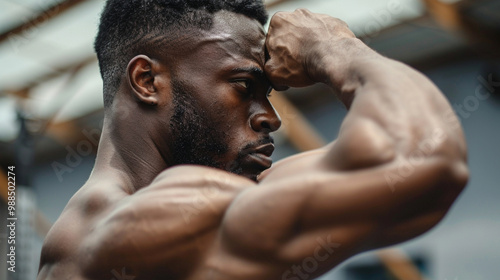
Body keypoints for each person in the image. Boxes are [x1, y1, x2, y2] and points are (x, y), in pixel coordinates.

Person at [37, 0, 469, 279]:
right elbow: (429, 156)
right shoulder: (133, 229)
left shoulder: (179, 204)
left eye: (268, 95)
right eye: (244, 86)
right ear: (147, 81)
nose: (271, 119)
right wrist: (332, 45)